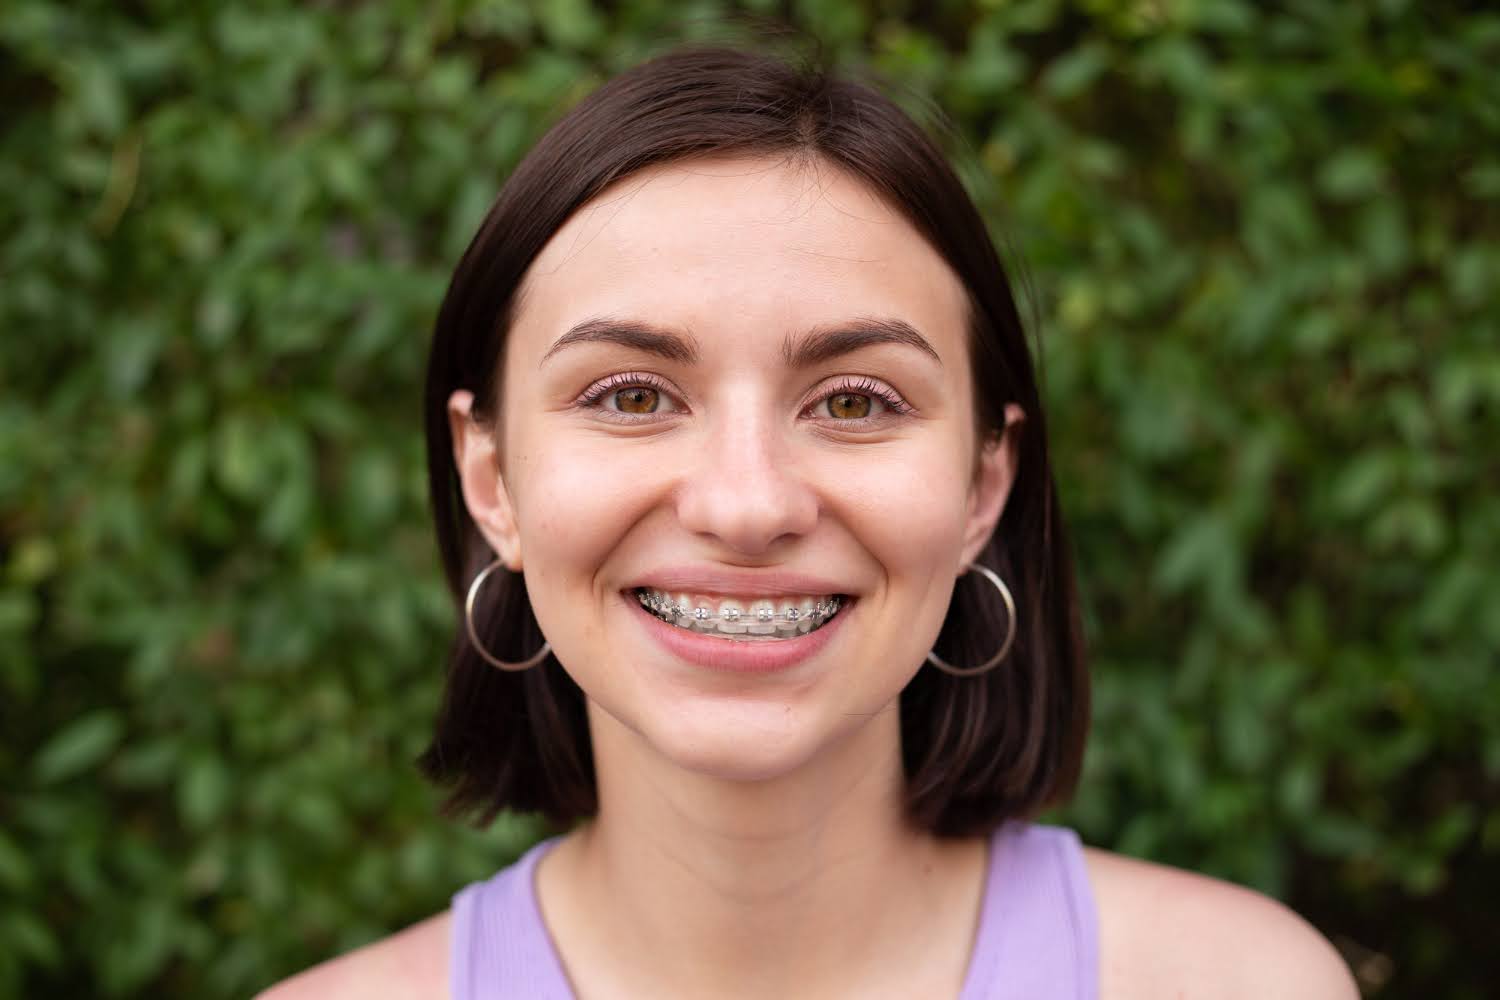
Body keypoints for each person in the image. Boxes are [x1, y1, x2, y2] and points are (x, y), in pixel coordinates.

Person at [262, 45, 1357, 999]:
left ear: (985, 486)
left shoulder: (1243, 985)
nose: (746, 505)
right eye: (633, 395)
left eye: (854, 402)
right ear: (490, 478)